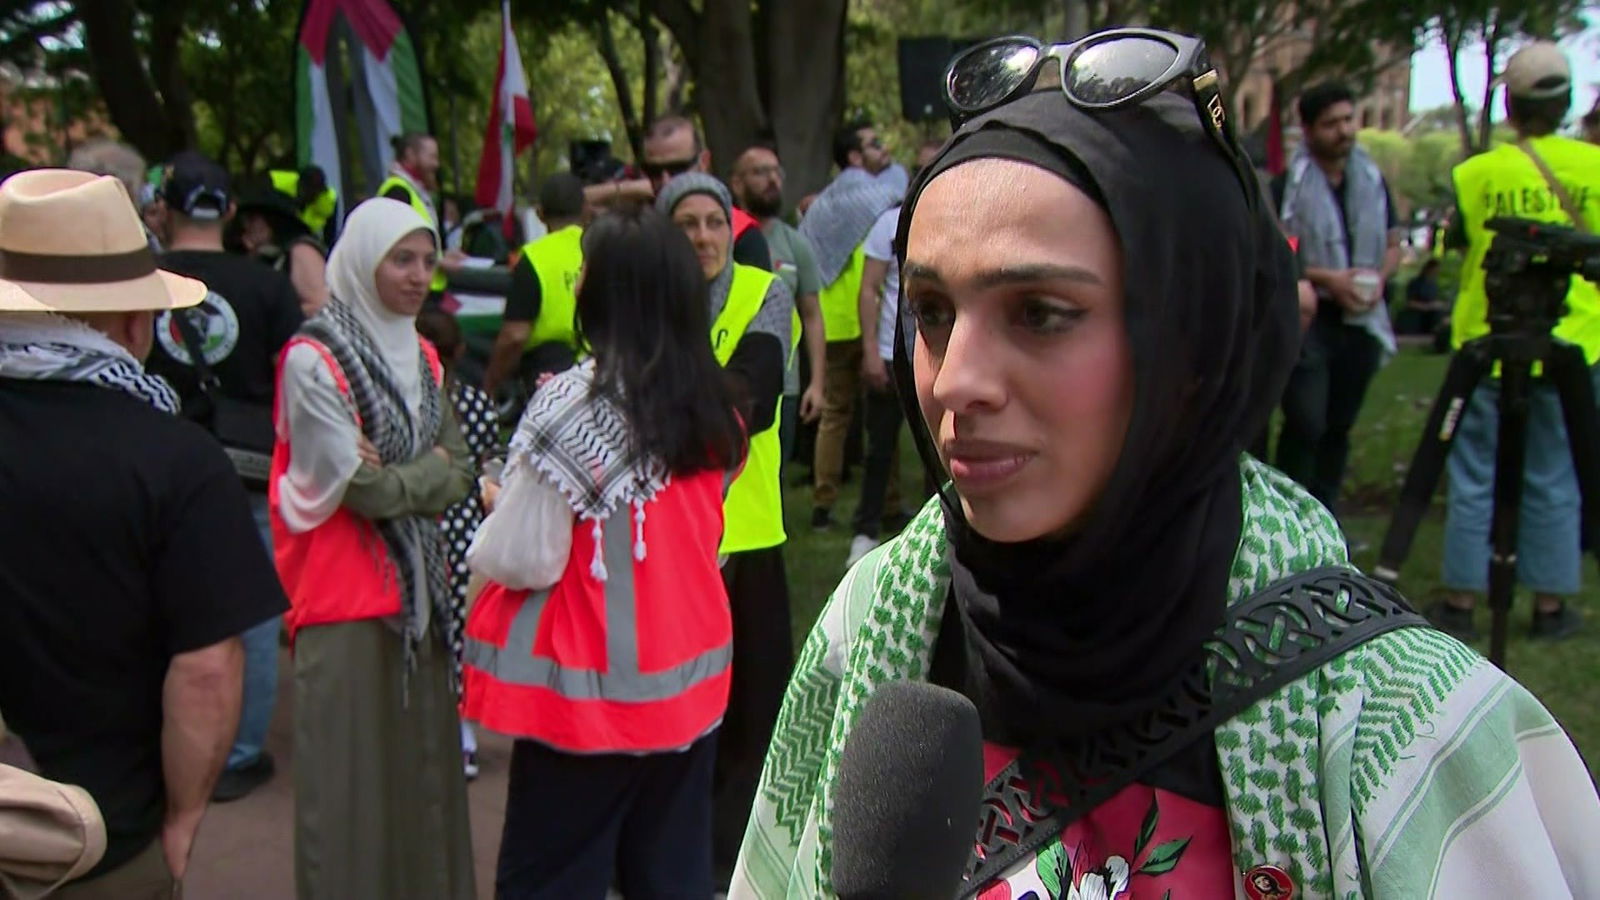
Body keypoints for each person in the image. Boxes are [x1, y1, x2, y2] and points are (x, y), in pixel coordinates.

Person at [731, 32, 1600, 899]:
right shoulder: (869, 625)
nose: (955, 379)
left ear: (1193, 343)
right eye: (931, 311)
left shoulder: (1405, 726)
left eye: (1039, 313)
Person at [0, 169, 286, 897]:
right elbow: (208, 670)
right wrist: (185, 818)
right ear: (134, 323)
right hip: (103, 839)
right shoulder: (177, 459)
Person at [463, 204, 746, 898]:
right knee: (669, 873)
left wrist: (498, 500)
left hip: (585, 692)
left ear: (607, 295)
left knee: (552, 877)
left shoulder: (571, 405)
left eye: (586, 271)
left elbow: (527, 555)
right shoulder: (717, 407)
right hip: (688, 680)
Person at [272, 198, 476, 899]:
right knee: (350, 797)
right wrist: (427, 472)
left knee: (425, 787)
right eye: (402, 260)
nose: (419, 276)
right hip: (344, 602)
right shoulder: (313, 357)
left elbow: (466, 465)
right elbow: (366, 492)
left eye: (426, 260)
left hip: (419, 599)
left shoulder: (420, 353)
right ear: (363, 261)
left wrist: (405, 473)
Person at [142, 151, 304, 804]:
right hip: (247, 465)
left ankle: (166, 744)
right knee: (255, 614)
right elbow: (295, 375)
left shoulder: (138, 282)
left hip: (155, 462)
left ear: (164, 207)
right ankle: (237, 753)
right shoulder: (266, 286)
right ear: (230, 211)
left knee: (156, 607)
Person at [1432, 41, 1600, 642]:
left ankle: (1460, 598)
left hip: (1488, 334)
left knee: (1475, 473)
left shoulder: (1477, 173)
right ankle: (1551, 604)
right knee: (1555, 474)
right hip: (1574, 338)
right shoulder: (1595, 168)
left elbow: (1456, 244)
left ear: (1510, 100)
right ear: (1566, 101)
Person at [657, 173, 795, 887]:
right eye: (687, 223)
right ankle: (676, 856)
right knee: (675, 711)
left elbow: (756, 397)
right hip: (669, 541)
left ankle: (737, 863)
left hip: (746, 534)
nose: (704, 237)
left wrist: (663, 401)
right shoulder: (654, 303)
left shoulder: (762, 293)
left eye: (715, 221)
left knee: (754, 713)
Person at [1273, 82, 1401, 512]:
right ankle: (1290, 512)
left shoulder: (1372, 181)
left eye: (1349, 120)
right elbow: (1280, 253)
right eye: (1331, 124)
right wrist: (1330, 279)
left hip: (1362, 319)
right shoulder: (1287, 187)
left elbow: (1394, 244)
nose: (1344, 131)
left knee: (1339, 427)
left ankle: (1327, 517)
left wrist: (1377, 279)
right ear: (1308, 130)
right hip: (1312, 320)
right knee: (1307, 422)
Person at [846, 139, 944, 566]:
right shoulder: (887, 225)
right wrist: (869, 349)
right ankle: (865, 531)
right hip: (889, 352)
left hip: (937, 353)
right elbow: (868, 289)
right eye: (920, 170)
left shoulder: (954, 221)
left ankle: (939, 533)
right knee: (880, 448)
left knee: (936, 448)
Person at [801, 119, 901, 530]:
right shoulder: (882, 197)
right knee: (884, 418)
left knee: (835, 415)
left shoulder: (822, 202)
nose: (883, 149)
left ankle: (823, 504)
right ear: (855, 157)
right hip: (871, 319)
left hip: (831, 319)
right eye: (874, 144)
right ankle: (890, 504)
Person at [414, 307, 501, 780]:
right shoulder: (475, 405)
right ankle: (463, 735)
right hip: (466, 530)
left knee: (424, 634)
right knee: (464, 636)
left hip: (420, 526)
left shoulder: (405, 402)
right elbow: (487, 462)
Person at [729, 143, 827, 462]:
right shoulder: (721, 239)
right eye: (760, 172)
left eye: (776, 172)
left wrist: (817, 384)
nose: (772, 180)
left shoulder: (795, 244)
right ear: (737, 183)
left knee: (772, 475)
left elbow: (811, 315)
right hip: (726, 377)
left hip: (784, 385)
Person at [483, 173, 591, 399]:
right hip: (599, 368)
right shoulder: (603, 249)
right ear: (585, 210)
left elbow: (514, 336)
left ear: (540, 214)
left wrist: (490, 384)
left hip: (549, 374)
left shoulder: (534, 258)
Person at [378, 132, 465, 294]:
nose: (436, 164)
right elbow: (395, 249)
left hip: (425, 289)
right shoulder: (397, 191)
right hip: (411, 291)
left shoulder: (415, 192)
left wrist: (443, 255)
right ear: (410, 155)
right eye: (432, 157)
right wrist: (439, 262)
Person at [234, 181, 331, 316]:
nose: (246, 225)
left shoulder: (301, 252)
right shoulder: (260, 255)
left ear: (271, 222)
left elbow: (320, 305)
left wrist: (273, 319)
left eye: (252, 219)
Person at [1398, 257, 1446, 336]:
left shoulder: (1433, 285)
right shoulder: (1416, 283)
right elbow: (1410, 302)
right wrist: (1427, 306)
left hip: (1430, 314)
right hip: (1416, 313)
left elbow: (1433, 300)